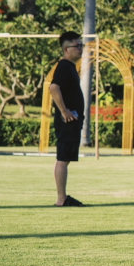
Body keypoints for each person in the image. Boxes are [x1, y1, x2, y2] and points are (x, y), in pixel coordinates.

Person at [49, 32, 86, 207]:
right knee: (63, 158)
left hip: (71, 121)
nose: (80, 49)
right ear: (66, 49)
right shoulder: (64, 66)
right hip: (68, 122)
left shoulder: (69, 66)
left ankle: (62, 197)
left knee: (63, 158)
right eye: (77, 46)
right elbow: (53, 88)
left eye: (81, 45)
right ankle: (61, 199)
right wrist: (64, 112)